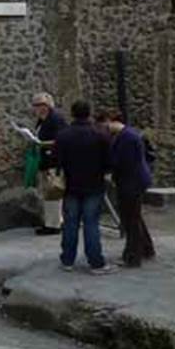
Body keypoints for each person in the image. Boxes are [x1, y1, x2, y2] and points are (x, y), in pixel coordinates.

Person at [54, 100, 114, 274]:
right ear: (89, 113)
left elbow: (57, 160)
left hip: (71, 185)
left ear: (72, 113)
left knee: (70, 224)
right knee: (91, 224)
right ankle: (96, 263)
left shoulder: (63, 135)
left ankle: (67, 260)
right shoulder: (100, 134)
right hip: (94, 184)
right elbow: (109, 161)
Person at [101, 109, 156, 267]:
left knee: (130, 219)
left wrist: (110, 172)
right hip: (133, 181)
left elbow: (124, 163)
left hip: (131, 183)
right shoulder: (127, 135)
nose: (105, 127)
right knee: (134, 216)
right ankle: (146, 248)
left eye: (106, 123)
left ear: (111, 120)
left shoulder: (127, 137)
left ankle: (133, 256)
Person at [32, 92, 67, 235]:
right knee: (48, 193)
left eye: (42, 105)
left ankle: (54, 225)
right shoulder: (42, 120)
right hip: (45, 160)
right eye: (36, 105)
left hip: (54, 161)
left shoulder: (55, 119)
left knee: (54, 192)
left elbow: (61, 140)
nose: (39, 108)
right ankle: (52, 222)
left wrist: (41, 143)